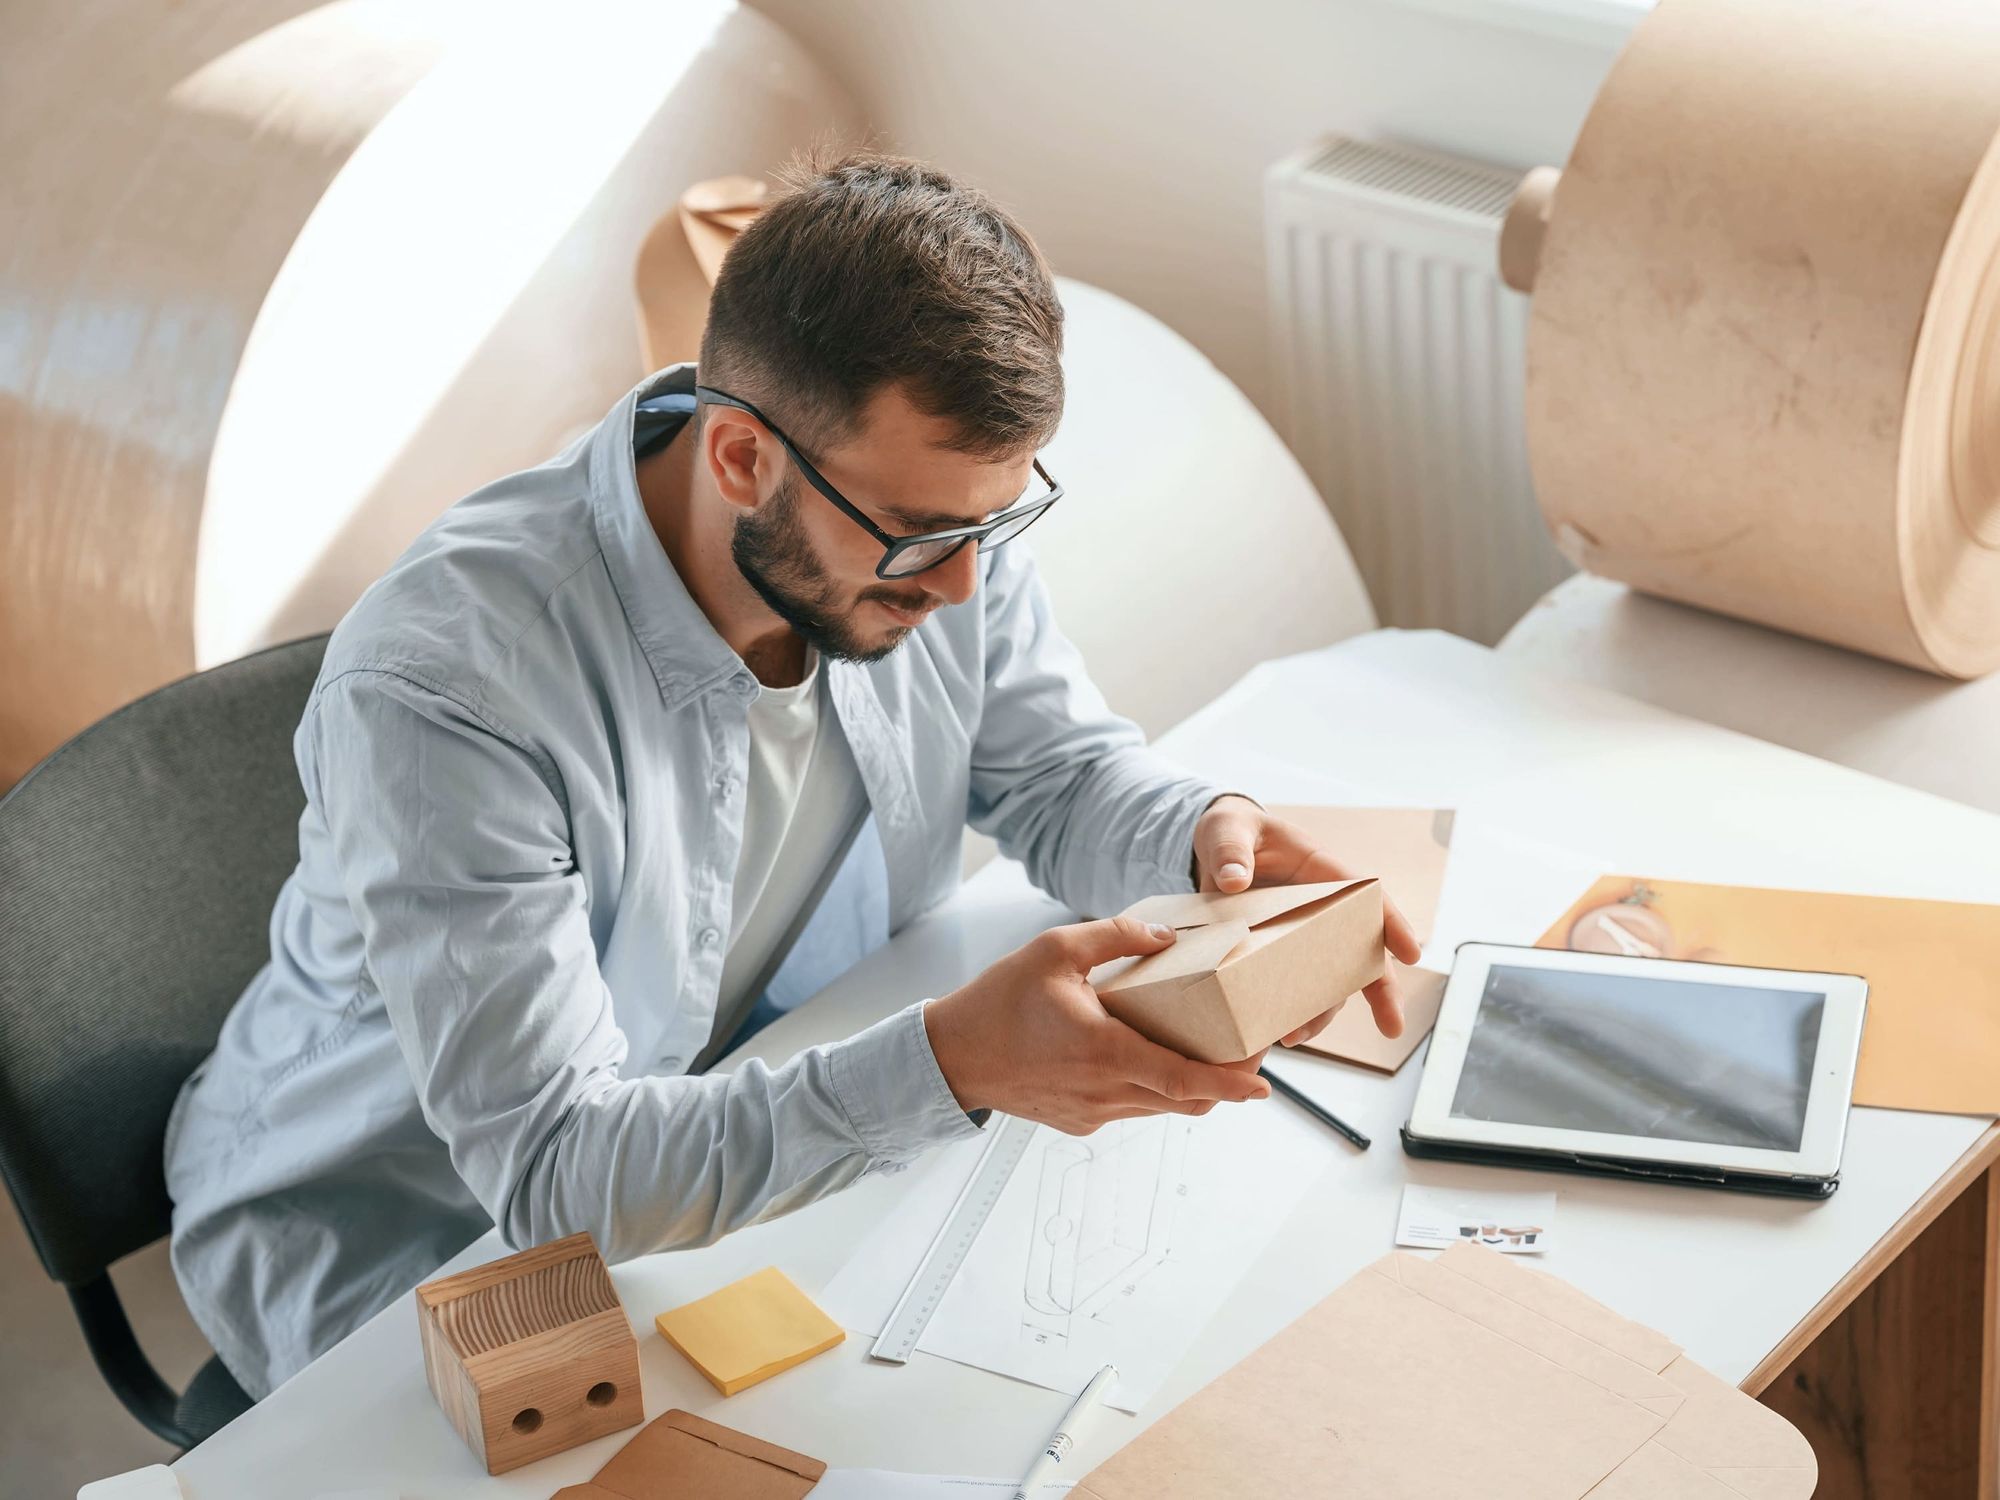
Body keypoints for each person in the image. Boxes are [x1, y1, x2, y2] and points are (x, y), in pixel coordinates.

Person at [165, 152, 1420, 1399]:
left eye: (991, 524)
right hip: (405, 1236)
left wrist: (1204, 833)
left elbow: (1054, 772)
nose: (962, 587)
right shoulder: (451, 692)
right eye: (922, 539)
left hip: (723, 1115)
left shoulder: (921, 520)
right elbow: (557, 1173)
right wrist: (951, 1066)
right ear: (737, 461)